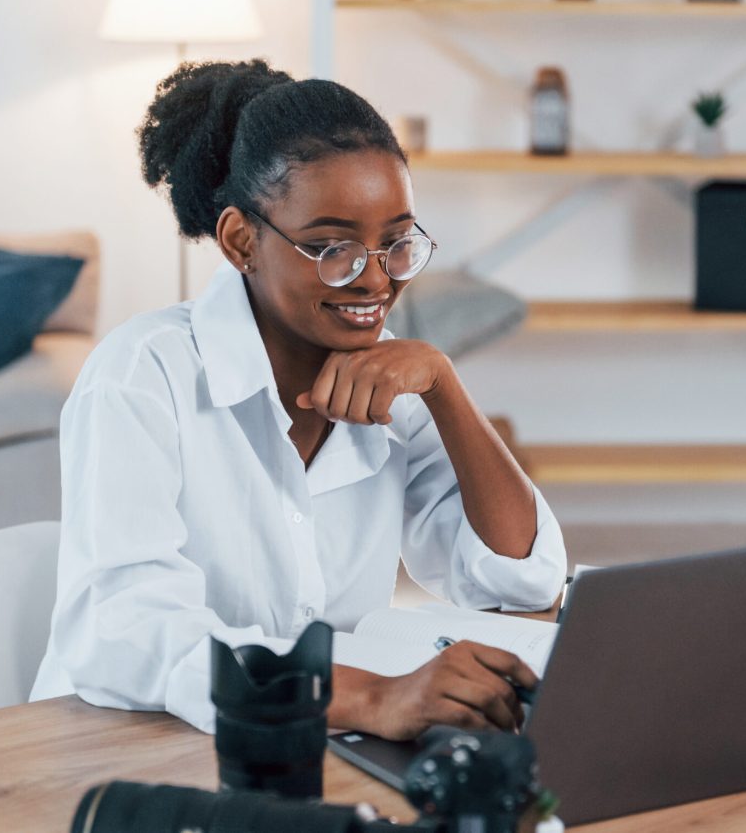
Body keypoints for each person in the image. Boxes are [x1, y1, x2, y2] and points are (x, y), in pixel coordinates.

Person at [30, 60, 567, 740]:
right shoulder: (142, 376)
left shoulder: (396, 381)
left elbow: (523, 585)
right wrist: (370, 698)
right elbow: (128, 635)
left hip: (313, 745)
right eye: (331, 247)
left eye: (397, 243)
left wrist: (443, 384)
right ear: (240, 240)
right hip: (124, 746)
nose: (375, 279)